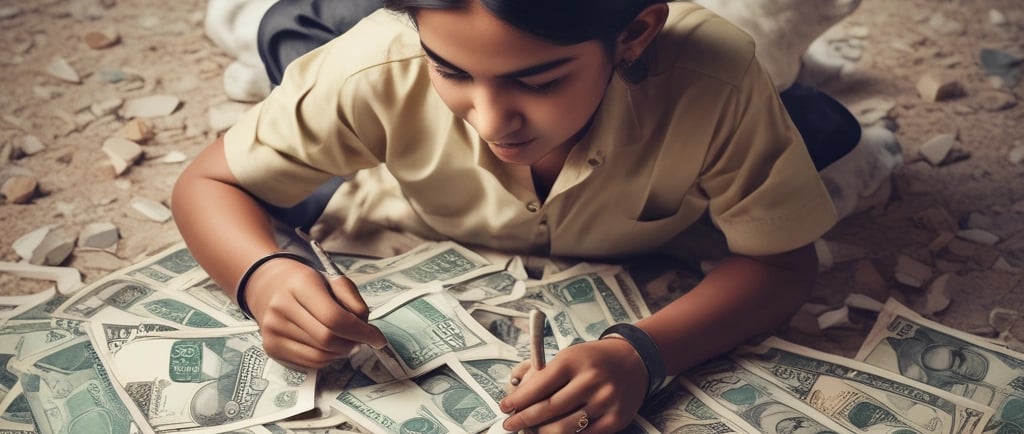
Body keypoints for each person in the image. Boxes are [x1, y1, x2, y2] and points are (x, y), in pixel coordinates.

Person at [172, 0, 861, 432]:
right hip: (349, 50)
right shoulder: (376, 66)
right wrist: (262, 277)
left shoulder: (715, 82)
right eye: (452, 71)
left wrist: (641, 354)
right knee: (285, 34)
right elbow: (206, 182)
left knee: (823, 131)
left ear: (636, 34)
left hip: (707, 74)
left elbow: (781, 262)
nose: (492, 120)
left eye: (539, 80)